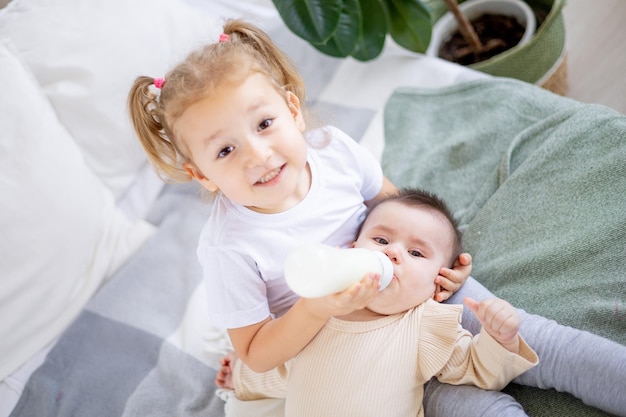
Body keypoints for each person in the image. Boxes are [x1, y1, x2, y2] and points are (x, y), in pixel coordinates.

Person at [127, 19, 626, 417]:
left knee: (541, 342)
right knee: (468, 405)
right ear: (202, 174)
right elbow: (256, 351)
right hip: (344, 344)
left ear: (293, 110)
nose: (258, 155)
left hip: (413, 281)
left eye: (264, 123)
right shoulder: (229, 246)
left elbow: (391, 205)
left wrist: (437, 260)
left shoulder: (334, 154)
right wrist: (315, 310)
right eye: (226, 149)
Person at [217, 188, 539, 416]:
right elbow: (285, 370)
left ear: (438, 281)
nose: (392, 252)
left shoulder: (424, 324)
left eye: (415, 253)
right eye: (381, 240)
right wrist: (243, 377)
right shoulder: (316, 314)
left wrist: (500, 339)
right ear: (352, 249)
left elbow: (475, 369)